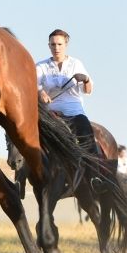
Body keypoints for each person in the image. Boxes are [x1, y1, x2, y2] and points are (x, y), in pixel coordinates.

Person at [36, 29, 98, 160]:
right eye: (53, 44)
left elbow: (87, 91)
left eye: (59, 44)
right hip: (49, 114)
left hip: (74, 113)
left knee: (88, 140)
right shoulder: (40, 66)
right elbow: (31, 85)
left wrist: (85, 79)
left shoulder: (76, 64)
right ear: (49, 46)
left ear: (66, 45)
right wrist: (40, 92)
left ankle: (93, 175)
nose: (56, 48)